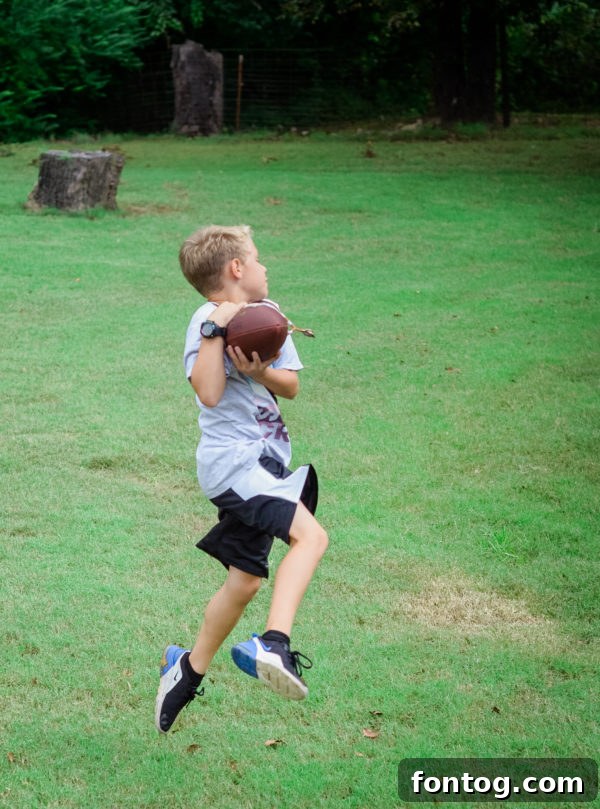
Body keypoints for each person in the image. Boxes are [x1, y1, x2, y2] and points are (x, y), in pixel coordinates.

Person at [155, 224, 328, 733]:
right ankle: (272, 644)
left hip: (266, 465)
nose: (264, 266)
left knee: (246, 579)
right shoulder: (204, 320)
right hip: (235, 463)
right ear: (236, 268)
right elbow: (208, 392)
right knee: (311, 537)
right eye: (257, 258)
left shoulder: (270, 318)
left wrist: (259, 372)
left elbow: (290, 387)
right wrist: (215, 332)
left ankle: (185, 670)